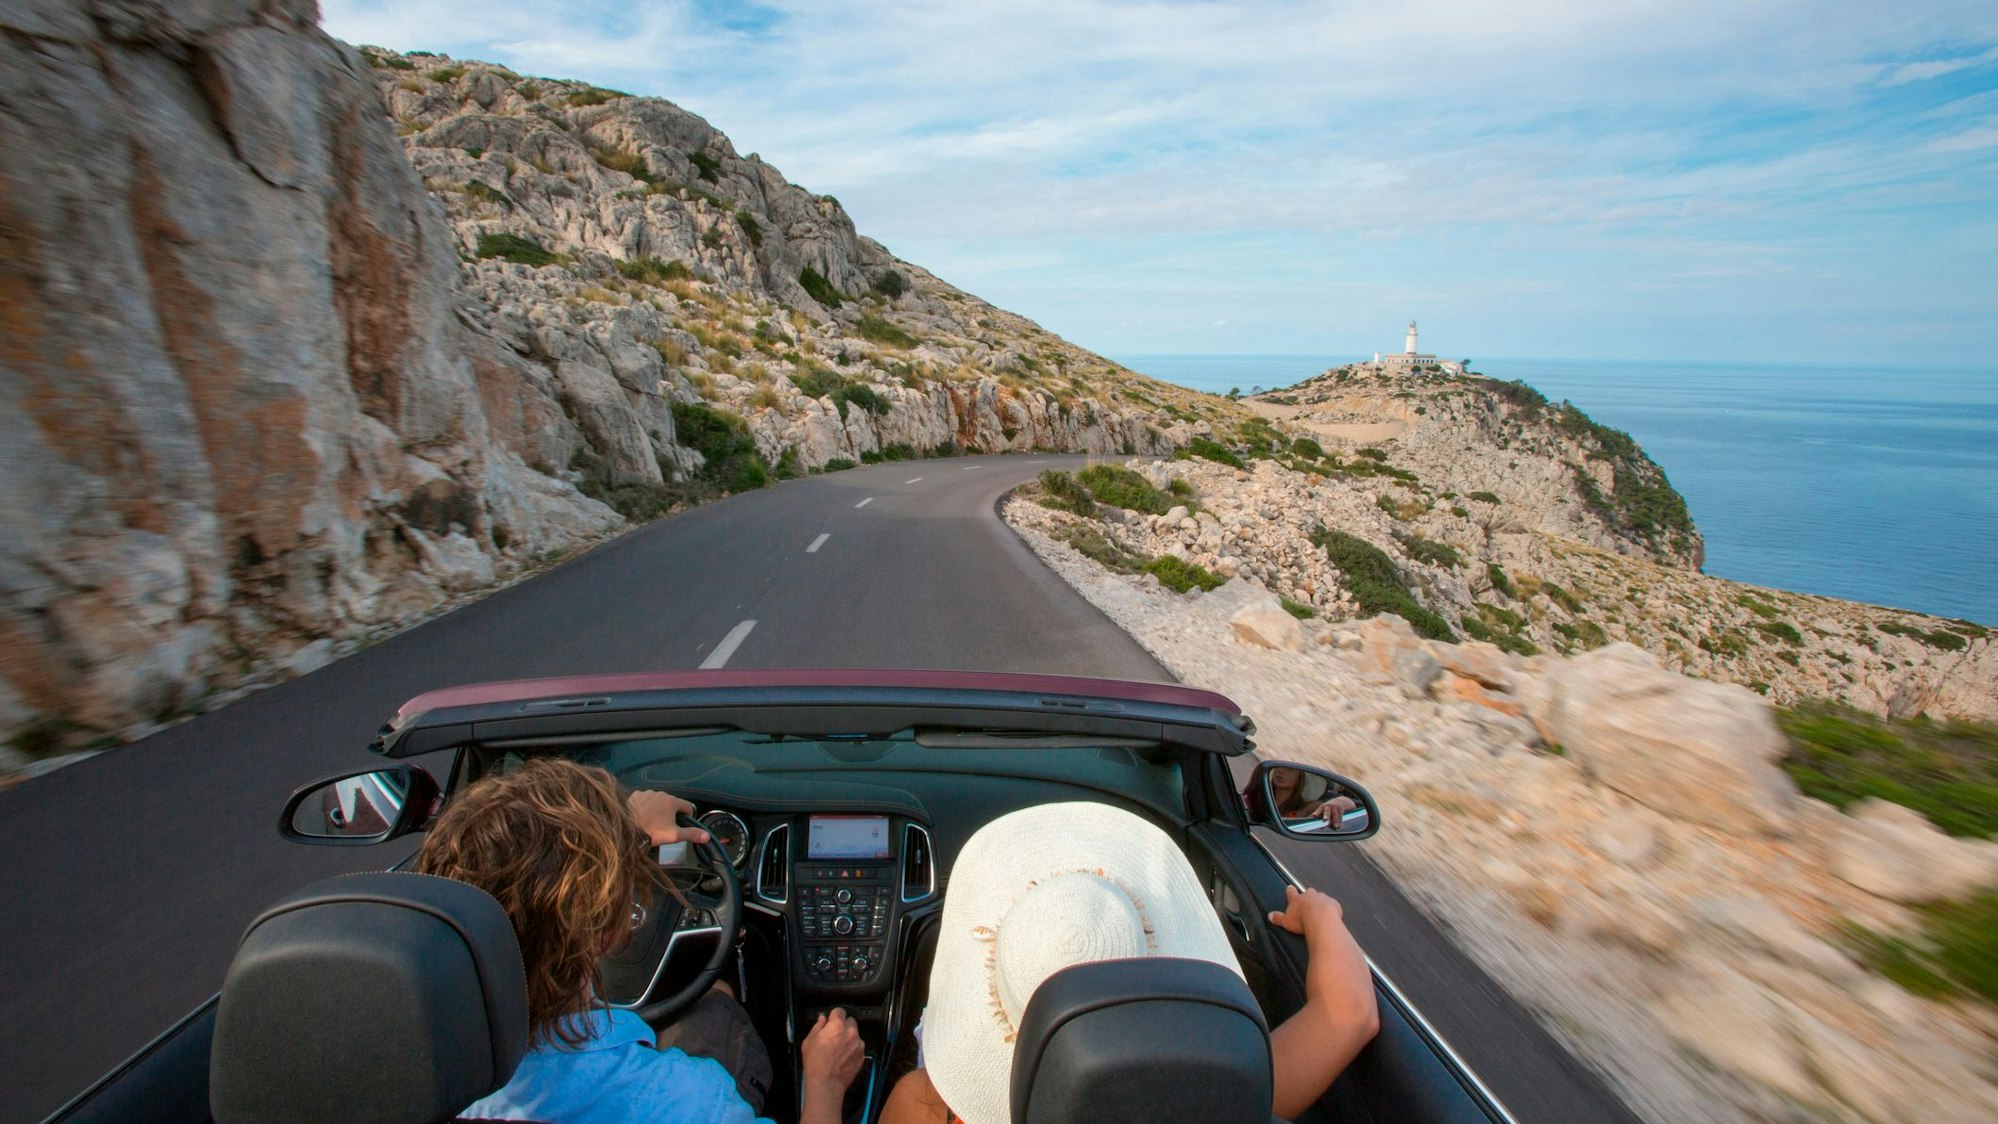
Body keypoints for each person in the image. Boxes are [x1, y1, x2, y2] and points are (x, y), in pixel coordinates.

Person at [413, 757, 865, 1124]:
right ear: (606, 931)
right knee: (717, 1003)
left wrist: (618, 832)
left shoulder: (418, 1073)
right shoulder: (692, 1102)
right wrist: (824, 1087)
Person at [879, 802, 1378, 1124]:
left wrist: (834, 1086)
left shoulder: (924, 1107)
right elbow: (1350, 1012)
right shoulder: (1220, 1097)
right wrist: (1322, 914)